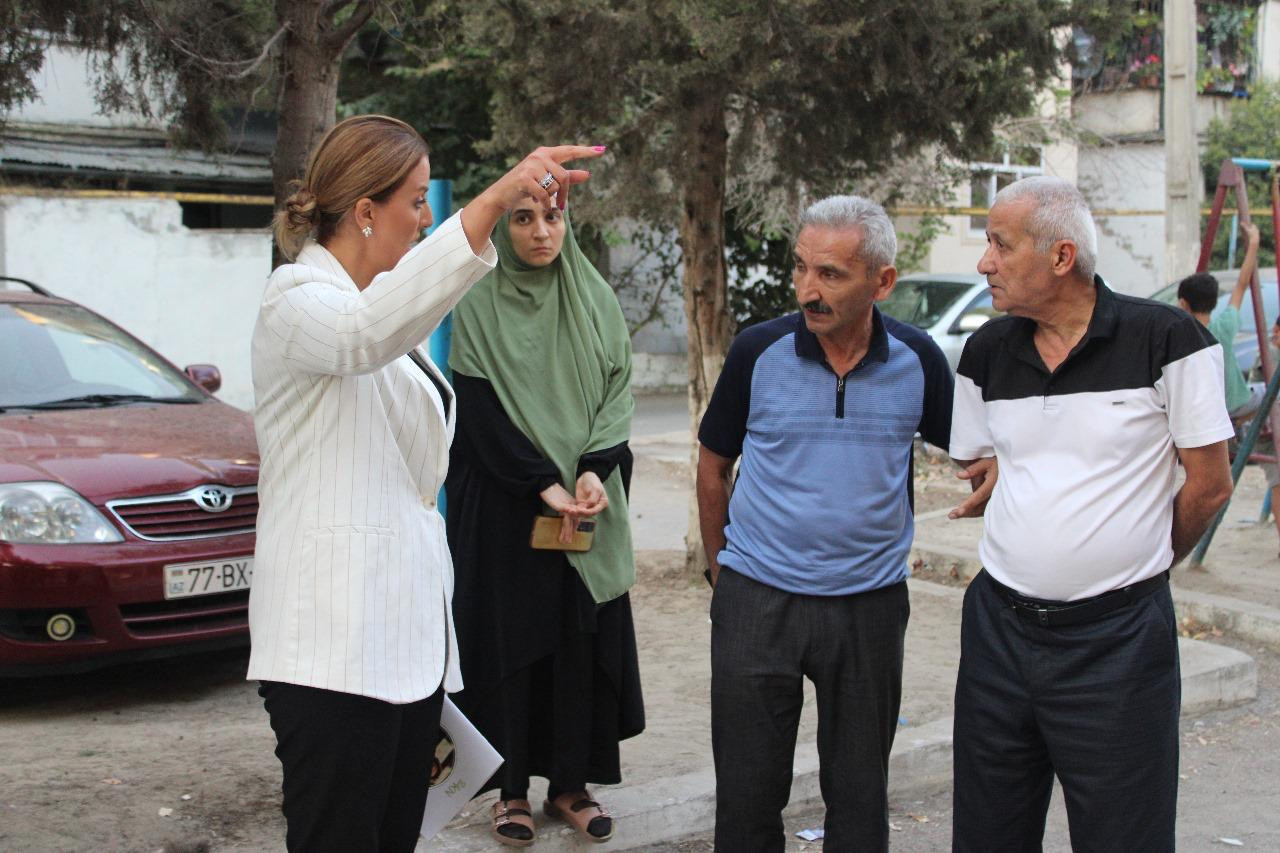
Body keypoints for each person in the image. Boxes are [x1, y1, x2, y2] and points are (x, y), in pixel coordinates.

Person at [248, 113, 604, 853]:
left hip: (403, 650)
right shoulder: (296, 301)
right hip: (332, 653)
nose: (428, 215)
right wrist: (495, 199)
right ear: (365, 211)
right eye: (415, 199)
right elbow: (362, 333)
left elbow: (392, 325)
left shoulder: (382, 314)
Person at [949, 176, 1235, 852]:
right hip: (999, 634)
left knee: (1123, 836)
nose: (984, 261)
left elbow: (1212, 485)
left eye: (1000, 244)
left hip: (1119, 643)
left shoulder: (1169, 340)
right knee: (988, 832)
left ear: (1061, 256)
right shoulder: (987, 351)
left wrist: (1135, 560)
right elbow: (987, 459)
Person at [696, 195, 954, 852]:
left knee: (861, 797)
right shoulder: (760, 352)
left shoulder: (920, 362)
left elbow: (977, 451)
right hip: (758, 602)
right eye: (802, 269)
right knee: (749, 798)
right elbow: (712, 464)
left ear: (882, 281)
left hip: (868, 607)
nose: (809, 289)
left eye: (832, 274)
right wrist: (720, 568)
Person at [446, 200, 644, 847]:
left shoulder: (594, 297)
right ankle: (509, 792)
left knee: (576, 645)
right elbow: (477, 412)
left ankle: (569, 783)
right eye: (525, 217)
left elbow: (618, 391)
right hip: (509, 507)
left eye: (553, 218)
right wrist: (543, 482)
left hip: (585, 509)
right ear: (503, 224)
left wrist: (591, 468)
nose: (540, 231)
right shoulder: (477, 303)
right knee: (511, 650)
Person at [1177, 220, 1263, 420]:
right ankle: (1246, 427)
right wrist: (1253, 243)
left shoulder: (1181, 334)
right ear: (1215, 301)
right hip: (1236, 404)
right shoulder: (1223, 326)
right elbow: (1241, 284)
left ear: (1183, 303)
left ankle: (1240, 427)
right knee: (1270, 390)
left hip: (1209, 411)